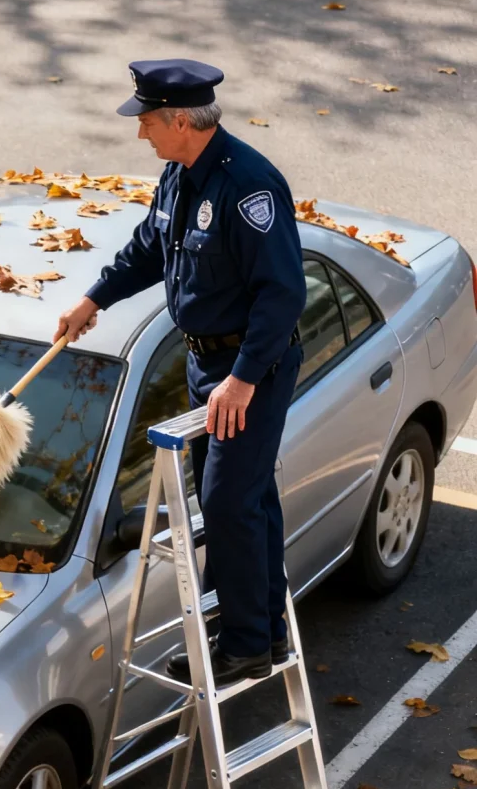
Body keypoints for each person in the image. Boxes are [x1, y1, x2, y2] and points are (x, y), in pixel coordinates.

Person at [55, 58, 306, 687]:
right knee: (246, 500)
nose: (141, 133)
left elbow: (282, 293)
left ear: (181, 122)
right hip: (205, 362)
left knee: (226, 502)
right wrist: (94, 298)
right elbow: (149, 246)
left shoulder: (249, 187)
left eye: (147, 123)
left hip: (251, 368)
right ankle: (263, 628)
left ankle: (245, 645)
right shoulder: (178, 174)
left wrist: (244, 377)